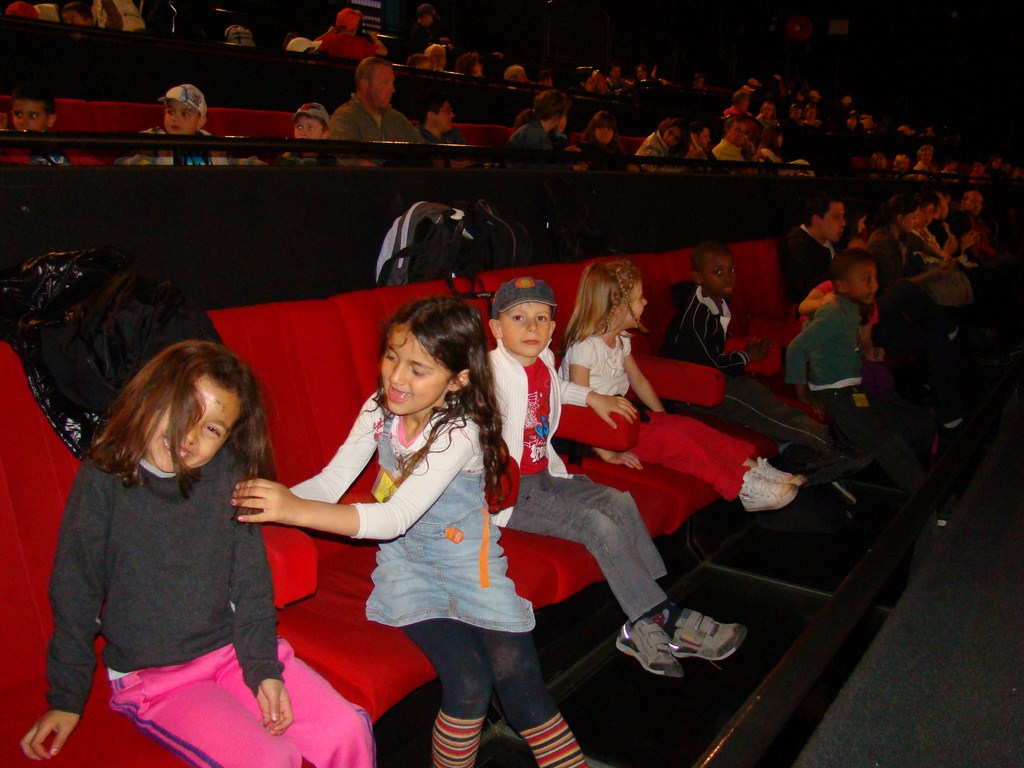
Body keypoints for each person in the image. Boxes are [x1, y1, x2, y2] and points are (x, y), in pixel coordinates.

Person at [233, 297, 590, 768]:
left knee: (521, 682)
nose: (397, 378)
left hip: (471, 564)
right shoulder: (380, 409)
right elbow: (331, 482)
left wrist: (294, 509)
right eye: (391, 357)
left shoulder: (460, 430)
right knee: (467, 682)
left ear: (458, 379)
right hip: (408, 566)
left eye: (418, 369)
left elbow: (395, 515)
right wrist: (269, 503)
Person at [20, 341, 375, 767]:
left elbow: (251, 583)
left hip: (231, 650)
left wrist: (263, 669)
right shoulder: (104, 478)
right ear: (153, 396)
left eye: (212, 429)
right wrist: (66, 698)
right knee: (270, 760)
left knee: (346, 730)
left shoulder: (228, 475)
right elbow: (75, 589)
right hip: (159, 676)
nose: (189, 436)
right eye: (184, 408)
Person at [488, 276, 749, 679]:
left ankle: (651, 612)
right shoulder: (487, 374)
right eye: (518, 318)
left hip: (545, 474)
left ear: (553, 328)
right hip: (511, 494)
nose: (531, 327)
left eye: (541, 318)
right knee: (598, 526)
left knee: (620, 502)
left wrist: (592, 396)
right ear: (496, 328)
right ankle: (660, 617)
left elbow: (557, 388)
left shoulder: (543, 362)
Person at [561, 259, 802, 511]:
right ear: (618, 307)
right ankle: (743, 487)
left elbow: (639, 381)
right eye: (639, 298)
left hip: (627, 418)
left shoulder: (621, 340)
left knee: (691, 428)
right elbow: (582, 407)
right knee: (677, 443)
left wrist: (664, 417)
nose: (645, 302)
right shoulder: (584, 348)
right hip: (603, 433)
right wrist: (608, 454)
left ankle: (755, 470)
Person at [659, 242, 869, 469]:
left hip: (709, 376)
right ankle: (827, 443)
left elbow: (711, 353)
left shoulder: (718, 300)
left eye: (731, 270)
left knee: (758, 396)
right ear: (698, 278)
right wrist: (745, 357)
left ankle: (795, 448)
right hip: (692, 387)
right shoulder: (697, 317)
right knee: (754, 400)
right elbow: (709, 362)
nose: (728, 277)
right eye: (718, 272)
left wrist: (746, 355)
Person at [786, 250, 934, 496]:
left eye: (875, 278)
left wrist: (869, 352)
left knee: (920, 424)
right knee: (888, 442)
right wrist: (805, 395)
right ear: (842, 285)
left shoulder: (852, 309)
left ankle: (904, 481)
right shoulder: (835, 312)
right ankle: (924, 497)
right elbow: (797, 349)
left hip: (854, 390)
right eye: (866, 280)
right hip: (837, 394)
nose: (874, 285)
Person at [115, 84, 260, 166]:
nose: (175, 118)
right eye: (171, 111)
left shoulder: (213, 144)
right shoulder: (152, 141)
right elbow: (122, 162)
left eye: (185, 114)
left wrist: (255, 165)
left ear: (200, 122)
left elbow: (234, 164)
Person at [329, 57, 424, 165]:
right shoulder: (344, 117)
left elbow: (425, 151)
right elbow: (346, 158)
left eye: (392, 83)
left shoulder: (398, 119)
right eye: (385, 82)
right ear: (364, 84)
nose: (392, 89)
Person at [780, 191, 846, 305]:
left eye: (843, 217)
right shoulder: (797, 247)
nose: (843, 223)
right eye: (837, 217)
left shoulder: (834, 241)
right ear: (817, 220)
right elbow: (805, 294)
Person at [505, 89, 574, 168]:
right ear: (557, 115)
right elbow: (539, 168)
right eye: (565, 115)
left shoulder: (539, 132)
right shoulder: (532, 134)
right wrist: (570, 167)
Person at [7, 82, 71, 165]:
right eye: (18, 114)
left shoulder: (58, 154)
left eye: (32, 115)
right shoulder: (7, 150)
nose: (23, 121)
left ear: (50, 120)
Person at [276, 102, 341, 167]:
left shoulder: (332, 161)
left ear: (325, 134)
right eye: (299, 127)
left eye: (310, 127)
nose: (303, 133)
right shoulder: (288, 157)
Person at [316, 7, 387, 60]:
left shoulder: (331, 39)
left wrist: (329, 33)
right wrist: (375, 39)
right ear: (355, 26)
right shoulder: (361, 43)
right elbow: (383, 52)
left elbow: (312, 45)